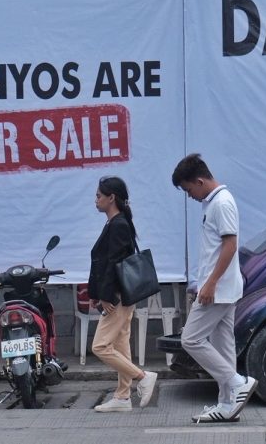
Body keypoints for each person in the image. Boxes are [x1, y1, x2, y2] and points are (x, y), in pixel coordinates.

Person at [171, 154, 257, 423]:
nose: (190, 196)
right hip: (220, 287)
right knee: (223, 345)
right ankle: (227, 404)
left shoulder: (221, 203)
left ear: (199, 181)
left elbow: (230, 246)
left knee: (191, 339)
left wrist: (209, 283)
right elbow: (215, 249)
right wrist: (204, 282)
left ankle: (236, 382)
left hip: (218, 288)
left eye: (188, 190)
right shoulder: (215, 203)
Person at [88, 176, 158, 412]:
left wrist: (106, 295)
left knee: (100, 346)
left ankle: (143, 376)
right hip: (119, 295)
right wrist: (96, 292)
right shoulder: (115, 222)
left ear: (111, 198)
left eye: (99, 195)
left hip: (116, 296)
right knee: (120, 344)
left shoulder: (118, 225)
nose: (95, 200)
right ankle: (123, 397)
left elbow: (114, 263)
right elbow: (105, 261)